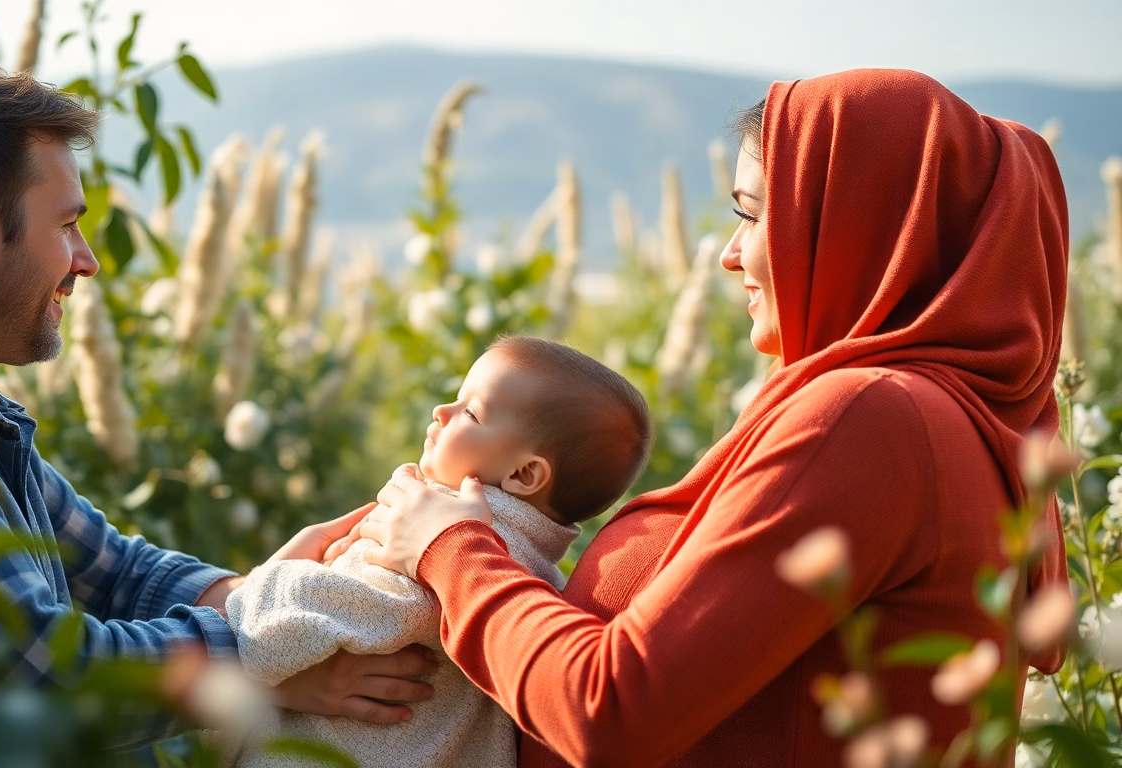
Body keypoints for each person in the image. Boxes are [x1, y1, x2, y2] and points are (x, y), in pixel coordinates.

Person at [349, 69, 1071, 765]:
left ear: (863, 223)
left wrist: (452, 546)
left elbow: (612, 712)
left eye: (751, 214)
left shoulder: (870, 417)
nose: (729, 254)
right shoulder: (939, 422)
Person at [0, 68, 435, 747]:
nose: (88, 260)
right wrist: (261, 656)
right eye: (69, 224)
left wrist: (279, 605)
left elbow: (117, 571)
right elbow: (41, 678)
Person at [222, 336, 652, 767]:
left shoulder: (434, 551)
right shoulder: (533, 578)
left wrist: (273, 575)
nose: (440, 412)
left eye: (469, 412)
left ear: (523, 473)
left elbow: (279, 631)